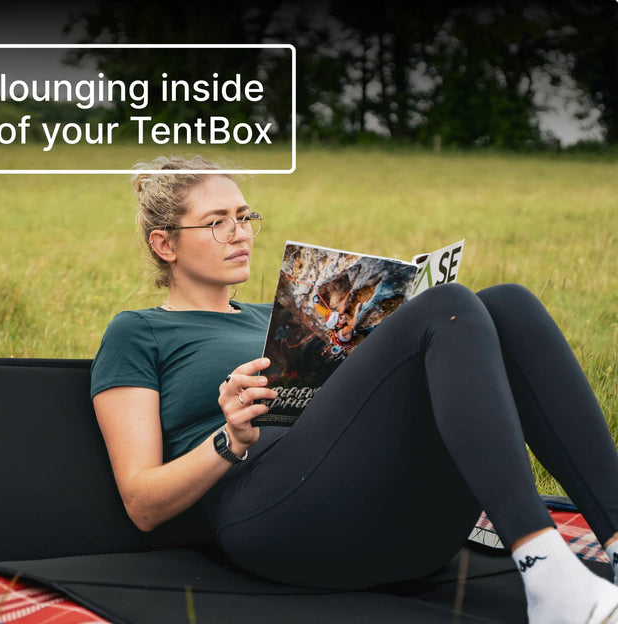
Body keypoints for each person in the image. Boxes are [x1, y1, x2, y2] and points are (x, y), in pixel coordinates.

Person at [90, 155, 618, 623]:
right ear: (165, 244)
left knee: (508, 304)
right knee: (446, 306)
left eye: (244, 216)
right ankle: (546, 572)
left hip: (393, 517)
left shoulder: (275, 314)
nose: (240, 232)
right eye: (216, 222)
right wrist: (229, 438)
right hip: (275, 519)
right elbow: (142, 503)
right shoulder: (139, 332)